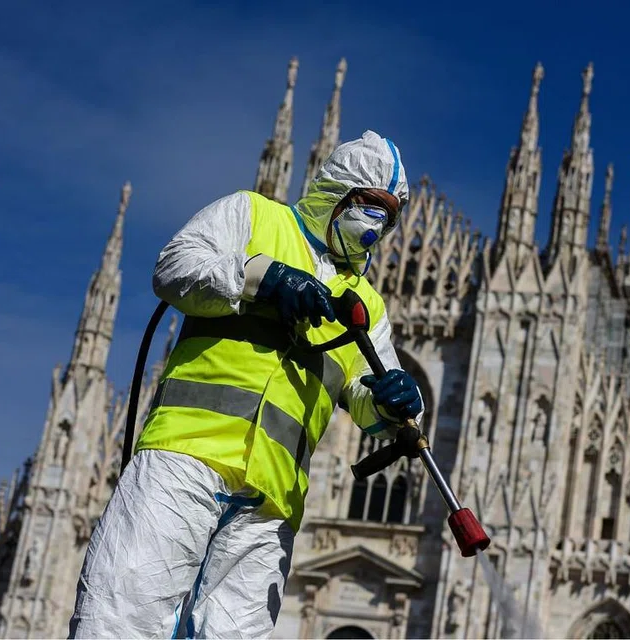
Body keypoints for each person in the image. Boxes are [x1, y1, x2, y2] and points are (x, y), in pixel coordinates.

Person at [68, 131, 424, 639]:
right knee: (123, 612)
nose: (377, 224)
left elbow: (373, 394)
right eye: (371, 205)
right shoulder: (254, 215)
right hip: (187, 456)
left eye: (388, 216)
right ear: (339, 190)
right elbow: (175, 267)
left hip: (272, 500)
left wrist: (396, 402)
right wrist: (262, 279)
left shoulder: (366, 303)